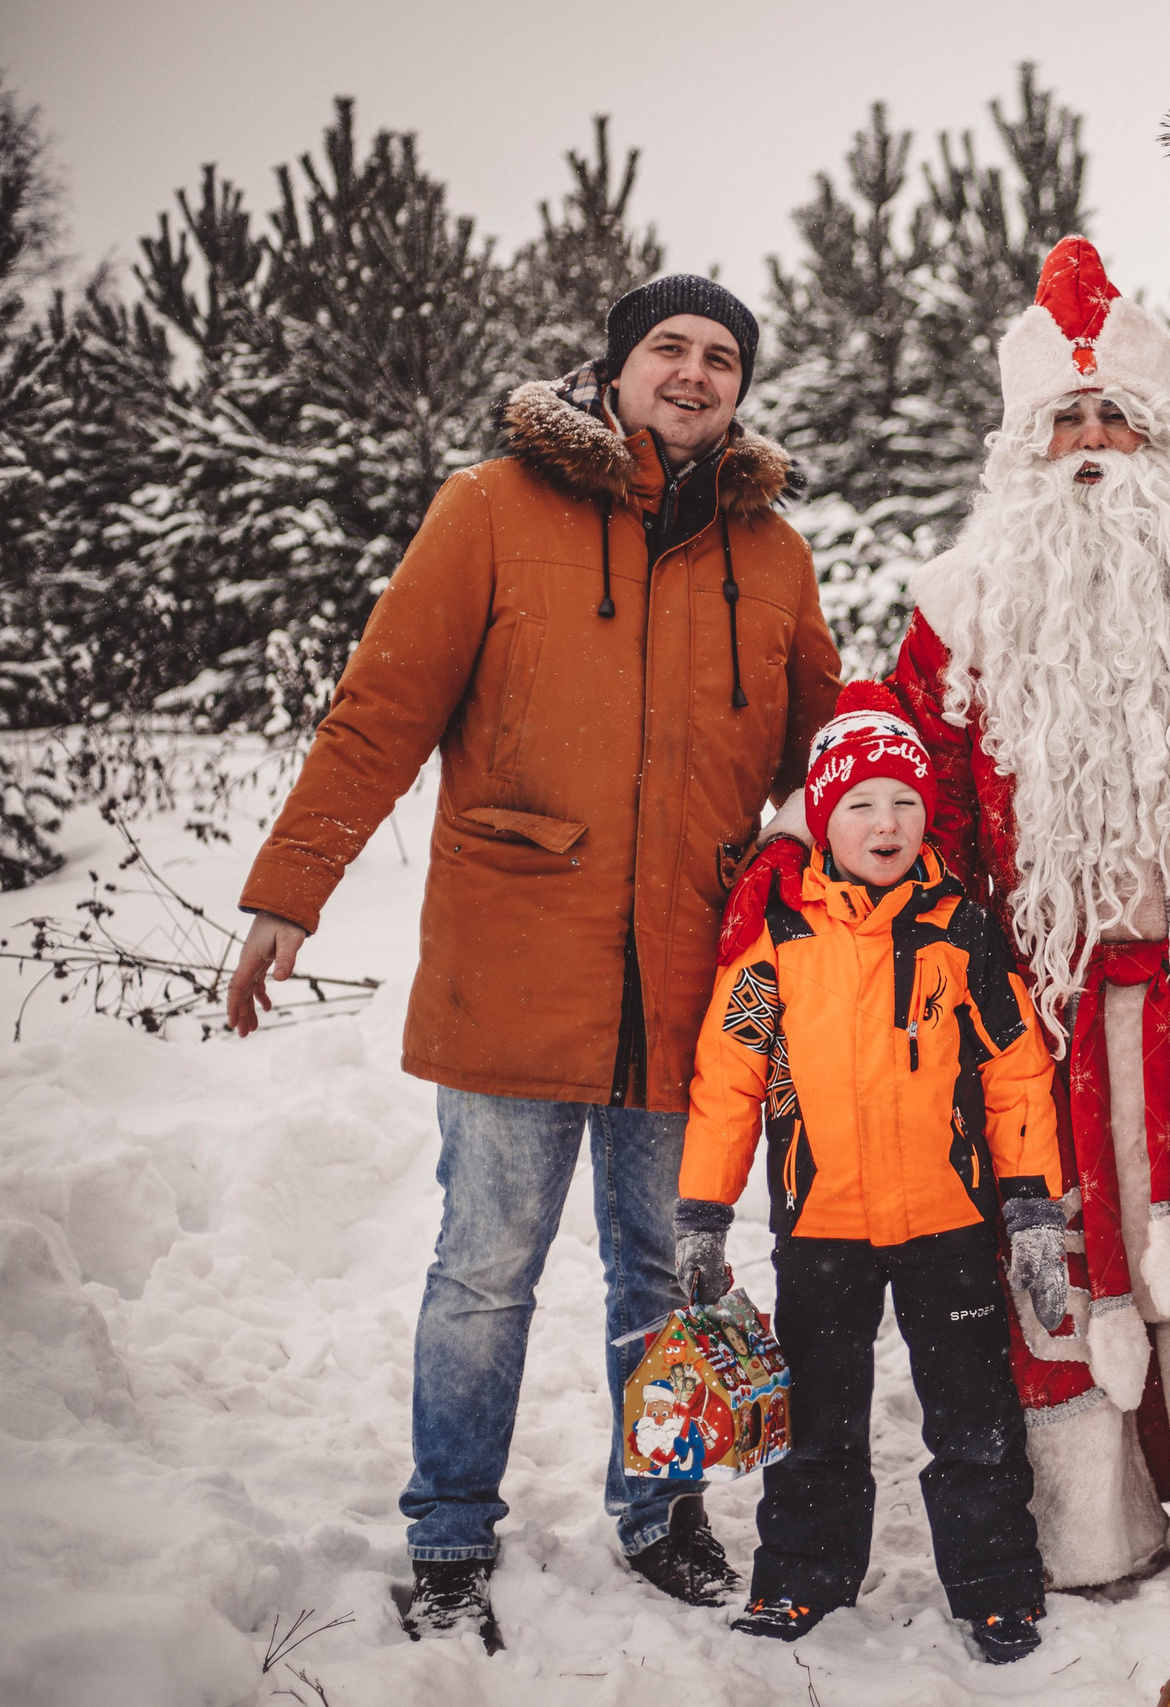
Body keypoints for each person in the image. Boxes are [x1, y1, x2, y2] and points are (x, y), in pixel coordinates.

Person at [724, 235, 1170, 1591]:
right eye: (1064, 420)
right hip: (1047, 994)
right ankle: (1095, 1522)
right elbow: (910, 782)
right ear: (1025, 448)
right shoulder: (961, 606)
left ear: (1158, 435)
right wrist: (823, 850)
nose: (1090, 443)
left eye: (1113, 417)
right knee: (1059, 1245)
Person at [223, 274, 842, 1649]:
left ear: (742, 388)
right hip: (517, 956)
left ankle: (658, 1507)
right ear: (613, 369)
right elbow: (379, 708)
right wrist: (291, 889)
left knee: (663, 1266)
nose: (693, 373)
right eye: (668, 349)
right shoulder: (493, 507)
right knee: (485, 1263)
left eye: (721, 357)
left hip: (687, 977)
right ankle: (449, 1531)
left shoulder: (776, 555)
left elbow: (835, 763)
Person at [673, 686, 1066, 1660]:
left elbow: (1016, 1070)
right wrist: (702, 1214)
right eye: (859, 804)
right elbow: (727, 1079)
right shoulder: (776, 941)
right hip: (822, 1227)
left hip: (948, 1224)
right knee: (817, 1421)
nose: (883, 822)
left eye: (902, 801)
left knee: (973, 1423)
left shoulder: (959, 931)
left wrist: (1031, 1209)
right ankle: (803, 1576)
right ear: (822, 819)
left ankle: (994, 1587)